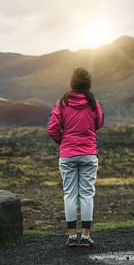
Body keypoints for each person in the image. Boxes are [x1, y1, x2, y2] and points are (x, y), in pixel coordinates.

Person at [47, 67, 104, 247]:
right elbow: (99, 123)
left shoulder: (62, 103)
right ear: (88, 84)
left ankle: (72, 237)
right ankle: (86, 237)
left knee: (69, 194)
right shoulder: (94, 102)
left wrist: (62, 142)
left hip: (67, 155)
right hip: (88, 154)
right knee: (87, 194)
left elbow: (52, 129)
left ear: (72, 82)